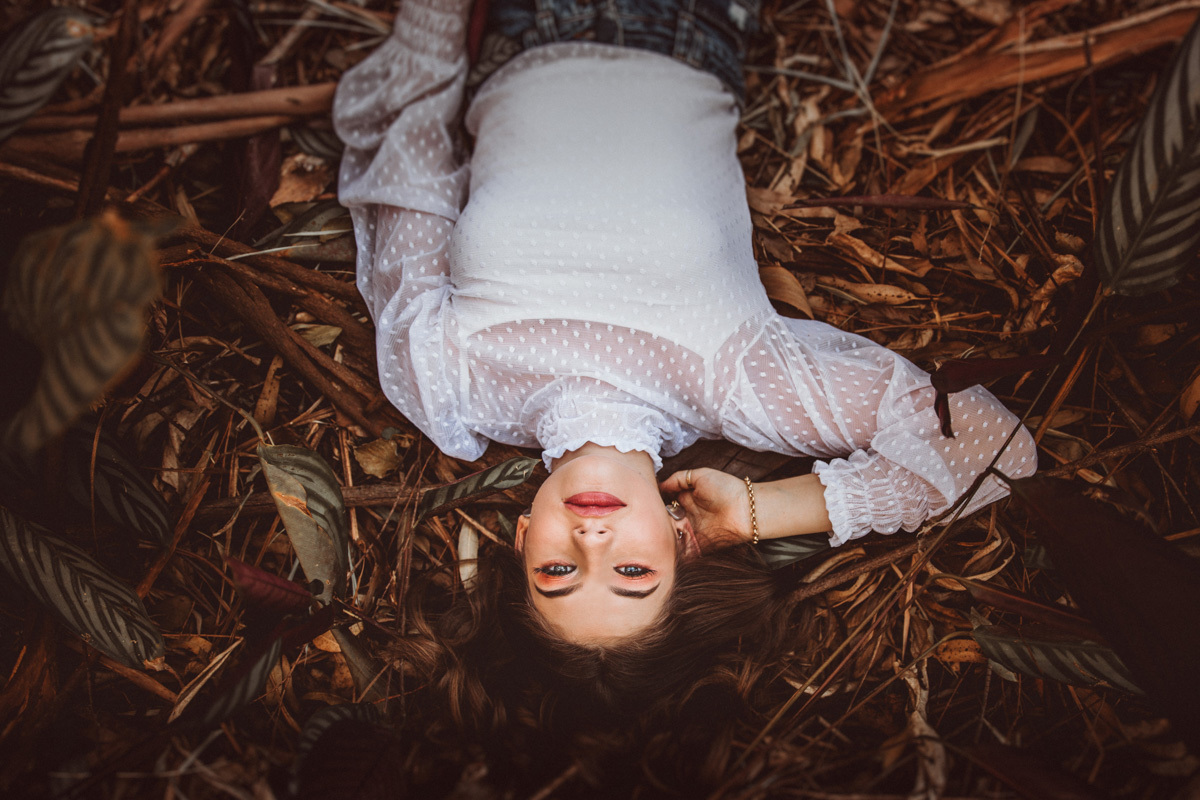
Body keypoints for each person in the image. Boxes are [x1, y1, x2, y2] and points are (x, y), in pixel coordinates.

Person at [332, 0, 1036, 787]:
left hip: (528, 29)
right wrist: (763, 513)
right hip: (687, 26)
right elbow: (993, 449)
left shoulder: (450, 388)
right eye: (633, 577)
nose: (592, 548)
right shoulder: (737, 382)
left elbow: (413, 178)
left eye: (557, 576)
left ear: (523, 535)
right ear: (679, 544)